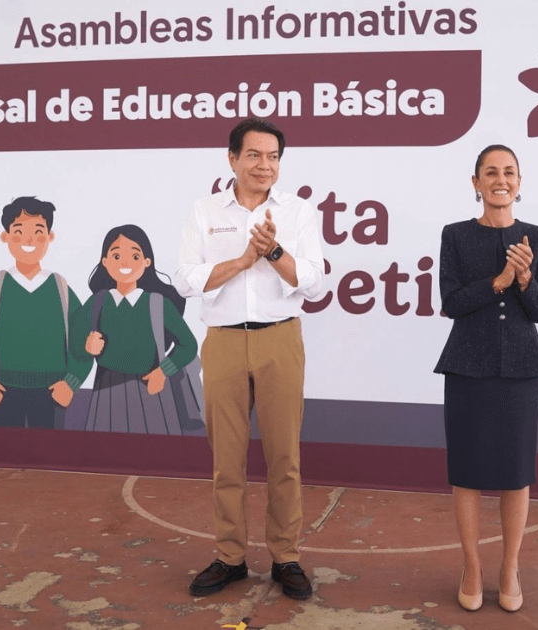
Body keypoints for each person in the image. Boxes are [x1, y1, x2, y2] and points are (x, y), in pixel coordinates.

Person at [174, 118, 326, 601]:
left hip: (280, 340)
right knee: (227, 461)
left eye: (273, 157)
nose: (265, 165)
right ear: (232, 158)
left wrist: (273, 251)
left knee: (285, 458)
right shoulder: (204, 211)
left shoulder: (298, 212)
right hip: (222, 342)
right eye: (255, 155)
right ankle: (230, 557)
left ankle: (286, 557)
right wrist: (241, 262)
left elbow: (314, 282)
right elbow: (184, 278)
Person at [435, 144, 538, 613]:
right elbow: (451, 303)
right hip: (467, 367)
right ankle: (472, 567)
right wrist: (501, 279)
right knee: (467, 473)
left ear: (519, 183)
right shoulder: (455, 235)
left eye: (508, 172)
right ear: (476, 183)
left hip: (521, 369)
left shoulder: (537, 236)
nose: (500, 180)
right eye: (490, 172)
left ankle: (509, 568)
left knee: (516, 474)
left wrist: (524, 280)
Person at [0, 196, 91, 429]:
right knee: (6, 448)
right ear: (6, 236)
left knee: (48, 450)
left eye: (38, 232)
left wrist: (71, 383)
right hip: (2, 390)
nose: (29, 240)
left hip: (53, 392)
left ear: (50, 236)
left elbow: (84, 341)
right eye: (19, 232)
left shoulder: (60, 288)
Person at [72, 225, 198, 435]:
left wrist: (163, 371)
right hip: (106, 388)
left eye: (135, 256)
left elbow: (189, 345)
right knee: (106, 447)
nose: (125, 263)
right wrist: (86, 345)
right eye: (116, 255)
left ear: (147, 261)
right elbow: (74, 343)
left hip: (150, 385)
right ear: (105, 261)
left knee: (152, 448)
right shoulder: (98, 302)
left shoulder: (158, 304)